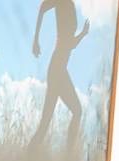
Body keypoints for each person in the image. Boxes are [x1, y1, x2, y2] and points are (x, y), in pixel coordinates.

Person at [30, 0, 91, 149]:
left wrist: (83, 34)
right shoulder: (63, 2)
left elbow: (70, 44)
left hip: (59, 69)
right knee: (76, 111)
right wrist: (35, 40)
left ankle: (30, 156)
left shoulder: (70, 5)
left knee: (47, 122)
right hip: (57, 69)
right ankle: (68, 156)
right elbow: (42, 8)